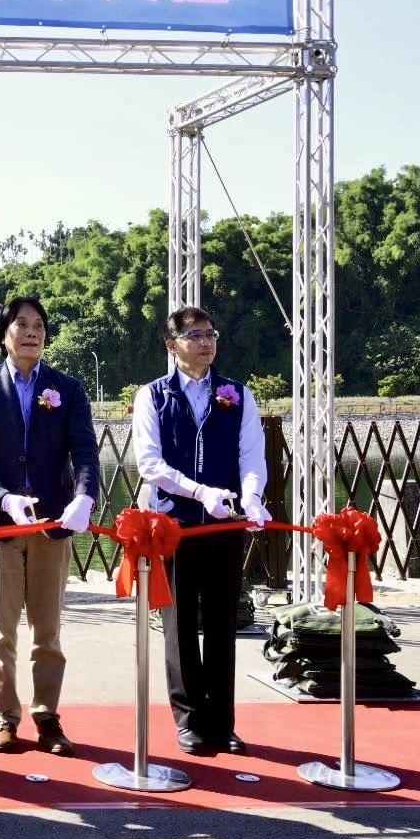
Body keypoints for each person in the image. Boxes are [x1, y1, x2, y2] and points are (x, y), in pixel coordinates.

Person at [0, 296, 98, 757]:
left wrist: (84, 497)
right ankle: (5, 715)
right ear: (4, 335)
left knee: (48, 629)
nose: (32, 332)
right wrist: (4, 498)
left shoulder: (67, 388)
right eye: (21, 324)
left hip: (52, 522)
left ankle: (47, 715)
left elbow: (85, 451)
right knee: (2, 629)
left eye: (39, 324)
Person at [131, 306, 269, 756]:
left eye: (211, 334)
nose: (206, 342)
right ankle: (189, 718)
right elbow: (150, 463)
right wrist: (198, 491)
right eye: (195, 335)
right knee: (179, 624)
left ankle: (222, 721)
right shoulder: (153, 395)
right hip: (174, 524)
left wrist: (252, 496)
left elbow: (252, 455)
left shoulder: (238, 394)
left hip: (224, 523)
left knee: (223, 621)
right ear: (171, 345)